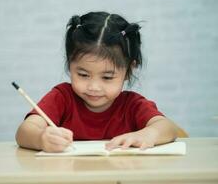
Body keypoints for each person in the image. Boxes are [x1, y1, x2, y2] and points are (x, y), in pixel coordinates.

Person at [16, 11, 178, 153]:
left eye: (107, 77)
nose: (93, 87)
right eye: (83, 74)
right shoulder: (62, 98)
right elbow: (24, 131)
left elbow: (168, 128)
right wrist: (41, 138)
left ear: (129, 70)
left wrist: (148, 134)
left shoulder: (132, 105)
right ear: (69, 64)